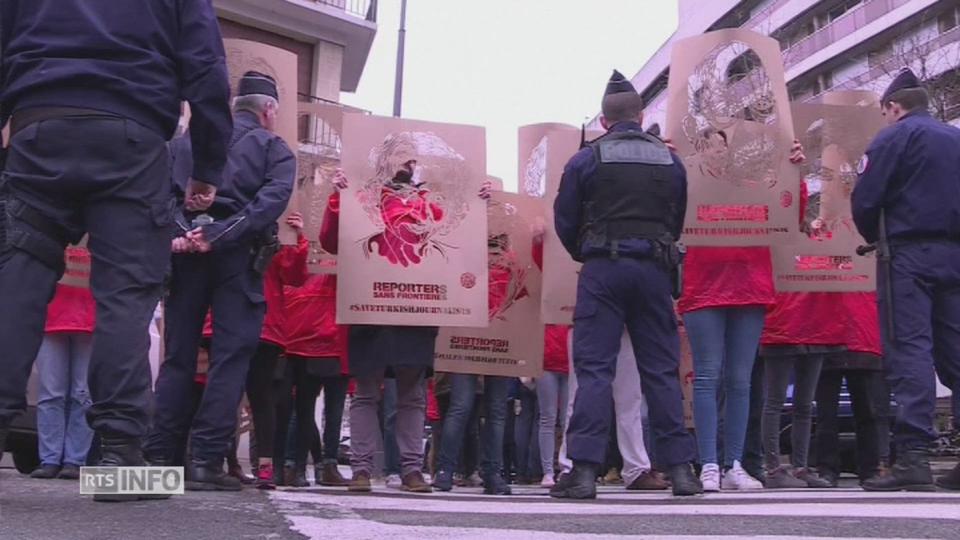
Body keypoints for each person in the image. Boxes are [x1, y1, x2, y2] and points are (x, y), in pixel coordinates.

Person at [0, 0, 232, 502]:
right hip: (133, 134)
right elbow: (207, 66)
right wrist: (208, 166)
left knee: (16, 282)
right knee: (126, 295)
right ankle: (120, 459)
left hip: (39, 127)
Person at [550, 70, 701, 498]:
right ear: (641, 113)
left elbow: (565, 219)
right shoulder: (670, 160)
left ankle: (582, 472)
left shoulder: (586, 159)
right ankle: (681, 470)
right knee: (661, 371)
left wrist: (589, 251)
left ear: (603, 120)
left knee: (595, 370)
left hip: (603, 270)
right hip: (654, 268)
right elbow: (677, 218)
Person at [145, 71, 295, 491]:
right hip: (237, 257)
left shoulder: (184, 143)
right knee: (230, 359)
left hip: (187, 252)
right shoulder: (274, 148)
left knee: (178, 356)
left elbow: (161, 197)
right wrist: (219, 236)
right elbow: (269, 204)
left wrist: (186, 234)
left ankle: (160, 458)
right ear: (269, 111)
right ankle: (206, 461)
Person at [851, 68, 960, 491]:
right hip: (955, 255)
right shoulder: (954, 138)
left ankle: (913, 456)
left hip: (907, 255)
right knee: (956, 353)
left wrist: (871, 238)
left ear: (894, 107)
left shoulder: (893, 138)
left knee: (909, 349)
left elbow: (866, 198)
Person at [680, 139, 805, 492]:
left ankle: (733, 464)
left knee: (740, 380)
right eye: (707, 146)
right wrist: (669, 162)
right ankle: (707, 463)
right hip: (703, 288)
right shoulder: (688, 191)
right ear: (698, 153)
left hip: (749, 287)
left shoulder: (753, 189)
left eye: (722, 146)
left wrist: (794, 173)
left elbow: (788, 214)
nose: (717, 152)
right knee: (706, 377)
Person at [558, 330, 671, 492]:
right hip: (595, 321)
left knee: (629, 398)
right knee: (580, 396)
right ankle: (571, 467)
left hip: (617, 324)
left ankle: (636, 468)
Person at [245, 216, 309, 489]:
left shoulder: (275, 230)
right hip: (233, 322)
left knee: (261, 398)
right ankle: (216, 461)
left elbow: (293, 276)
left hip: (265, 324)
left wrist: (297, 239)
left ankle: (265, 467)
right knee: (225, 395)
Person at [279, 272, 351, 488]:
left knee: (306, 409)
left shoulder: (309, 260)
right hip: (322, 337)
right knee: (312, 410)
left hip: (317, 337)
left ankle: (297, 466)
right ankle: (316, 465)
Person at [30, 281, 96, 480]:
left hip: (89, 315)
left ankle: (74, 460)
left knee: (82, 393)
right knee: (51, 392)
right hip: (50, 314)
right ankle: (50, 460)